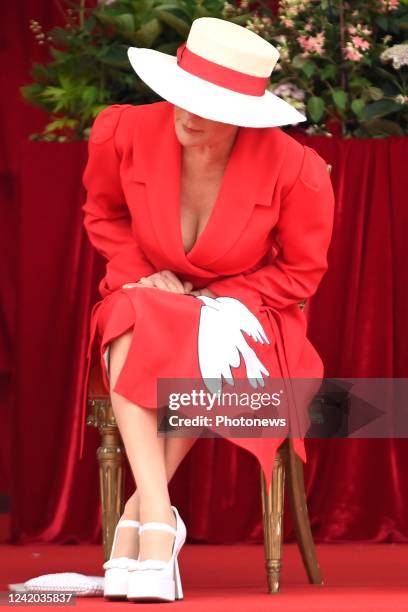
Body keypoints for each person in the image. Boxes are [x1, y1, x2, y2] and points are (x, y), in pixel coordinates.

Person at [80, 16, 335, 603]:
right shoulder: (123, 131)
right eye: (180, 96)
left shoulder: (293, 168)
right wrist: (141, 274)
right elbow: (105, 216)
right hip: (149, 297)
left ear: (245, 115)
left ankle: (141, 522)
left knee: (200, 334)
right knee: (126, 313)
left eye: (209, 105)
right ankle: (159, 518)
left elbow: (302, 271)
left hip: (247, 313)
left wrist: (221, 300)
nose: (187, 113)